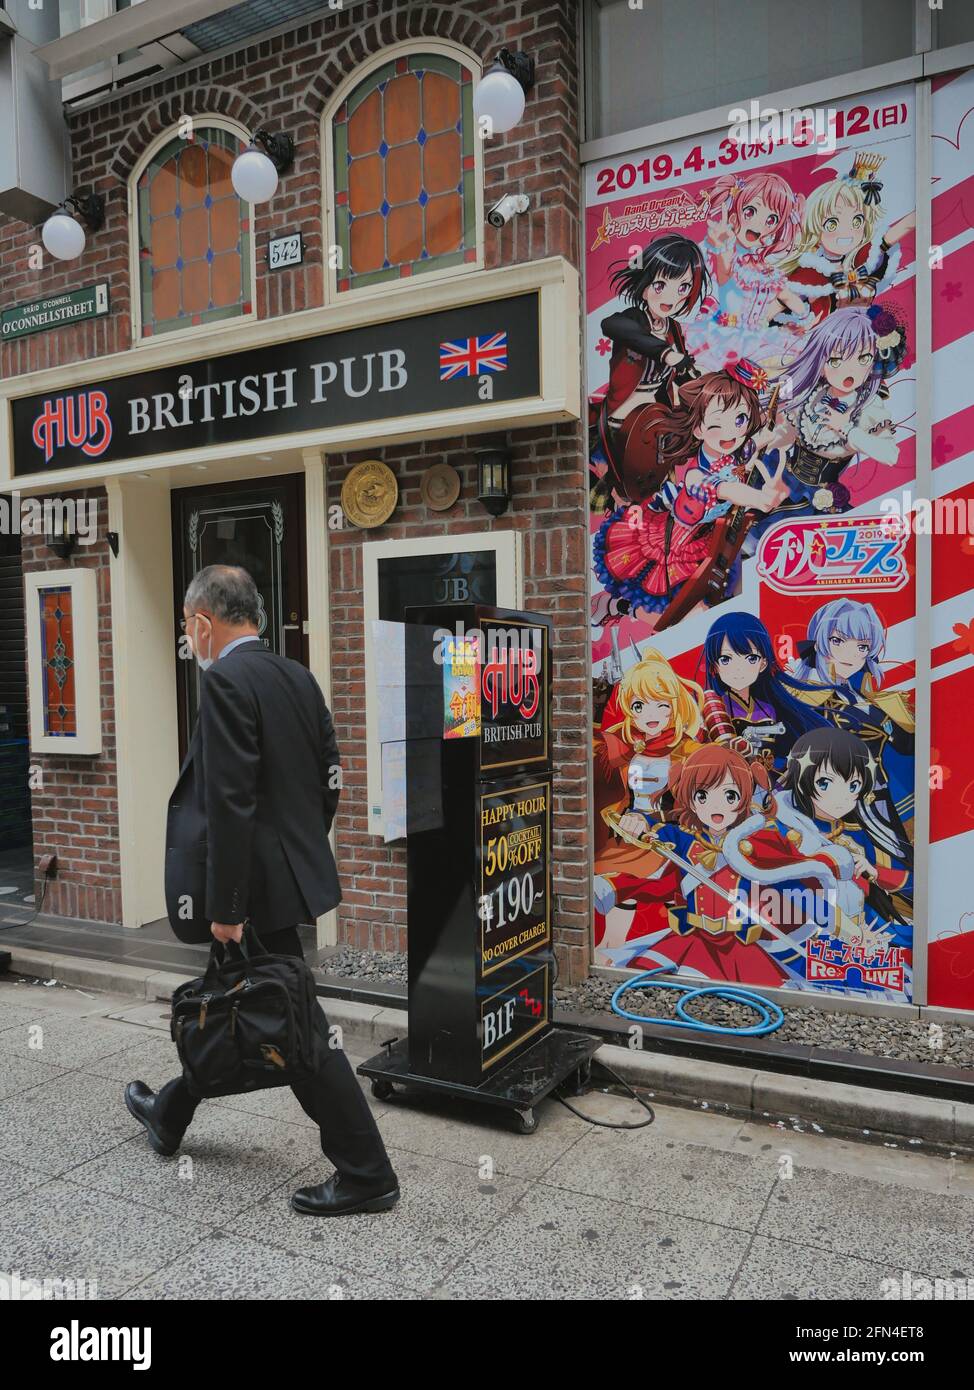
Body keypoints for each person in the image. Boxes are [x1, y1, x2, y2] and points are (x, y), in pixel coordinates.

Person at [124, 564, 399, 1218]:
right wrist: (300, 850)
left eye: (188, 629)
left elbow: (230, 802)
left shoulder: (224, 682)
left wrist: (225, 908)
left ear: (201, 621)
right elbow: (329, 777)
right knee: (240, 1003)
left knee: (295, 1026)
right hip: (287, 877)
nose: (189, 641)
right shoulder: (296, 675)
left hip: (250, 893)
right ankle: (170, 1111)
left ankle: (367, 1171)